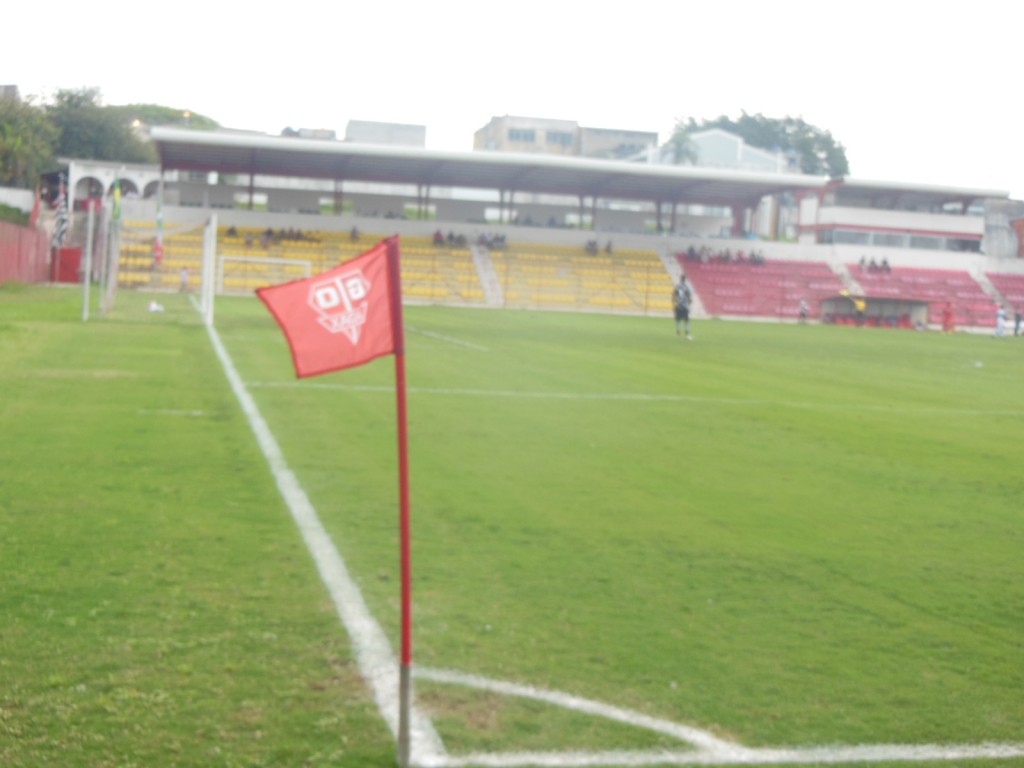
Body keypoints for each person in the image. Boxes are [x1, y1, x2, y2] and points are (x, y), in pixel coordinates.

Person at [672, 275, 693, 339]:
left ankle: (678, 330)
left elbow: (674, 295)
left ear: (680, 279)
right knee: (686, 319)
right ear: (685, 280)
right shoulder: (687, 287)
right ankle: (687, 330)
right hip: (685, 305)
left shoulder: (677, 286)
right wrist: (689, 304)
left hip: (679, 305)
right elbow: (689, 298)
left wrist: (674, 302)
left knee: (678, 319)